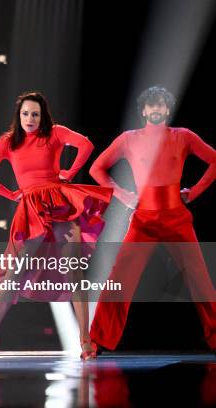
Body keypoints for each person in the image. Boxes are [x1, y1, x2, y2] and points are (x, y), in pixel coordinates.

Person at [0, 91, 112, 360]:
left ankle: (85, 339)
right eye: (25, 113)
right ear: (19, 115)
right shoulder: (8, 142)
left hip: (59, 201)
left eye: (35, 114)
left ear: (43, 116)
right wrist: (11, 194)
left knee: (74, 269)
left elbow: (86, 145)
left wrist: (69, 174)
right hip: (30, 208)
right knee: (13, 274)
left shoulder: (56, 132)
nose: (29, 118)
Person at [89, 86, 216, 351]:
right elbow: (97, 169)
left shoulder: (183, 136)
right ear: (144, 110)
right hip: (143, 219)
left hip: (177, 219)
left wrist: (193, 193)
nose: (156, 109)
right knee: (120, 277)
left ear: (167, 109)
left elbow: (215, 160)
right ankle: (97, 340)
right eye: (151, 105)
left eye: (161, 105)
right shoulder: (129, 138)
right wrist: (124, 196)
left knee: (200, 279)